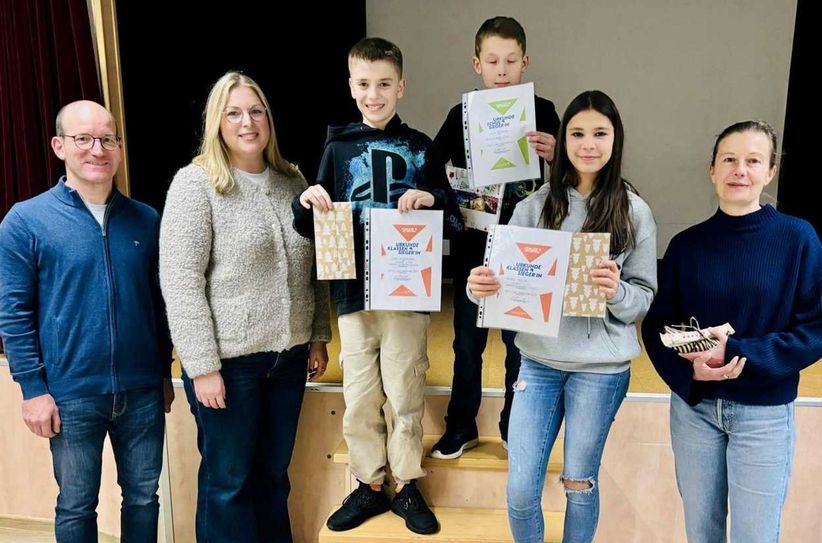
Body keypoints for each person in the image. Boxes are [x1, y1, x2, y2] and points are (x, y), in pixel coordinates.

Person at [468, 90, 657, 542]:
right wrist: (483, 289)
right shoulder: (534, 206)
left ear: (616, 140)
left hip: (601, 369)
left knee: (579, 483)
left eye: (599, 133)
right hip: (539, 361)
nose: (588, 143)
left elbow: (644, 298)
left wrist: (617, 292)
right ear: (563, 139)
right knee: (519, 488)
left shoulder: (634, 210)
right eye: (577, 133)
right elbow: (502, 284)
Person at [293, 37, 461, 535]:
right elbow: (310, 228)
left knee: (406, 390)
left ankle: (407, 484)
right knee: (361, 394)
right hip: (352, 292)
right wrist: (308, 200)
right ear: (351, 86)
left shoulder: (422, 147)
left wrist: (428, 199)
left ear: (401, 87)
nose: (374, 94)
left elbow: (452, 216)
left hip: (407, 292)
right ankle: (369, 484)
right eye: (364, 84)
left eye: (384, 84)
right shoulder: (335, 146)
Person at [159, 71, 331, 542]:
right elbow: (180, 281)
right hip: (228, 367)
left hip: (289, 360)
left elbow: (311, 265)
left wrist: (317, 335)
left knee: (273, 478)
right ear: (217, 122)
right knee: (228, 483)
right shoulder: (196, 185)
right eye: (233, 112)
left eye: (256, 111)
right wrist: (201, 367)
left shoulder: (290, 179)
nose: (247, 122)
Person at [0, 100, 174, 541]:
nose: (97, 150)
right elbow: (13, 313)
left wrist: (162, 372)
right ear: (59, 146)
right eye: (83, 139)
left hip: (142, 390)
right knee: (77, 506)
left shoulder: (146, 219)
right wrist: (33, 390)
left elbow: (160, 303)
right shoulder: (25, 221)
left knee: (143, 497)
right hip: (70, 393)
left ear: (119, 147)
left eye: (107, 139)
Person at [641, 120, 822, 543]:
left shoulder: (798, 239)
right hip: (695, 411)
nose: (740, 170)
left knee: (755, 536)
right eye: (729, 159)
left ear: (770, 171)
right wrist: (692, 371)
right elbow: (658, 327)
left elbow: (813, 329)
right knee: (701, 533)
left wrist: (736, 352)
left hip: (763, 413)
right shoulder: (687, 245)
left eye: (753, 160)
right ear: (712, 170)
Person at [429, 16, 561, 459]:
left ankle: (513, 426)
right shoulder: (461, 115)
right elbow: (431, 169)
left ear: (525, 62)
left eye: (510, 61)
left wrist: (555, 154)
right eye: (492, 61)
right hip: (474, 250)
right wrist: (457, 207)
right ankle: (461, 425)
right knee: (467, 343)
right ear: (477, 64)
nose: (501, 70)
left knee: (518, 346)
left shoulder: (544, 112)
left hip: (526, 248)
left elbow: (571, 176)